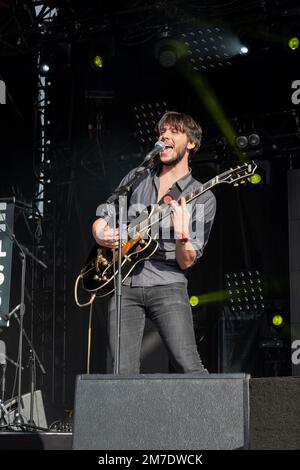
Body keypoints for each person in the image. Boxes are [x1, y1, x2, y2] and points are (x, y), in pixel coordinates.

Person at [92, 111, 216, 374]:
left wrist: (183, 234)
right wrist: (98, 230)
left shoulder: (202, 197)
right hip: (125, 282)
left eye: (174, 131)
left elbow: (187, 261)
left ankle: (215, 414)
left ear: (191, 143)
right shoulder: (138, 176)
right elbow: (108, 210)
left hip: (168, 283)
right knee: (120, 371)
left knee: (187, 363)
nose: (164, 136)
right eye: (162, 132)